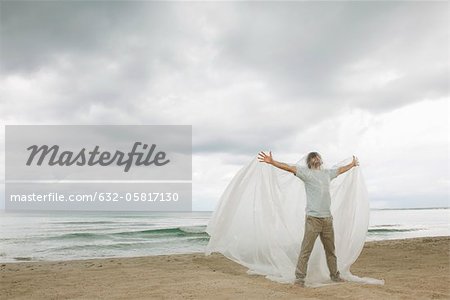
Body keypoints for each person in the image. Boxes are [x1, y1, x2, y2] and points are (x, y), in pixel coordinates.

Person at [257, 151, 359, 287]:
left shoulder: (327, 174)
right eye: (312, 158)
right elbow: (288, 167)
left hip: (327, 219)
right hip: (313, 219)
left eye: (317, 157)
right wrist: (273, 162)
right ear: (309, 162)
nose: (316, 159)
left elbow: (340, 170)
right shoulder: (305, 173)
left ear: (320, 160)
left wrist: (352, 165)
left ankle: (335, 276)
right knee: (306, 250)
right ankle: (299, 279)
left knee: (331, 251)